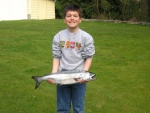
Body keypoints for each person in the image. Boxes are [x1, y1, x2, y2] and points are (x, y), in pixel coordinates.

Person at [48, 4, 95, 113]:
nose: (72, 18)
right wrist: (54, 74)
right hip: (62, 77)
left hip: (79, 79)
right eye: (69, 16)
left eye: (75, 15)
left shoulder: (86, 37)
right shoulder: (58, 36)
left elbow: (88, 57)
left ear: (80, 19)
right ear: (64, 19)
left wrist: (85, 74)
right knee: (62, 108)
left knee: (78, 108)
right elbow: (56, 56)